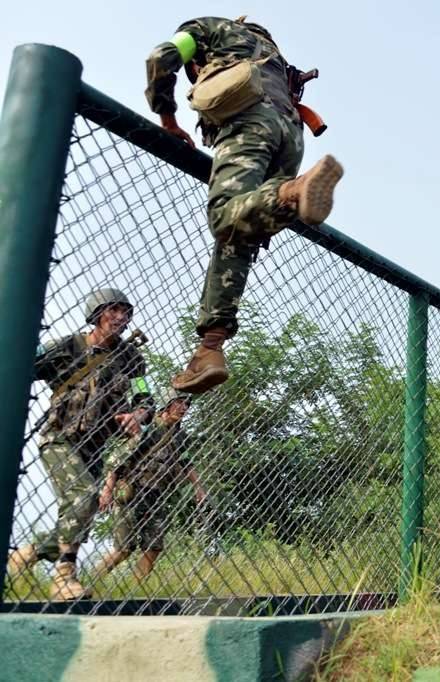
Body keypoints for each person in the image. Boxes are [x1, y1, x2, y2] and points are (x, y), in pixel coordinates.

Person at [145, 15, 343, 395]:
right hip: (291, 136)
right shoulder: (274, 58)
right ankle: (209, 349)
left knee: (223, 215)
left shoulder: (207, 31)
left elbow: (160, 57)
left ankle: (294, 192)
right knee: (241, 228)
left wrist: (168, 118)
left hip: (250, 123)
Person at [6, 288, 153, 599]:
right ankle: (63, 577)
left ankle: (26, 555)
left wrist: (137, 416)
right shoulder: (68, 346)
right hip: (59, 437)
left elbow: (146, 398)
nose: (120, 316)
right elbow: (20, 365)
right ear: (96, 313)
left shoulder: (133, 359)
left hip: (95, 446)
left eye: (125, 311)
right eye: (112, 309)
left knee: (83, 513)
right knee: (84, 495)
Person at [93, 389, 206, 584]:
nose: (184, 408)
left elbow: (187, 464)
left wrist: (199, 488)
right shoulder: (151, 430)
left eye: (187, 405)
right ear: (166, 404)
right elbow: (116, 461)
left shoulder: (179, 436)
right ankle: (91, 582)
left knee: (153, 548)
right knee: (123, 550)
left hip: (156, 495)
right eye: (179, 402)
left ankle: (134, 591)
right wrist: (107, 491)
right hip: (133, 492)